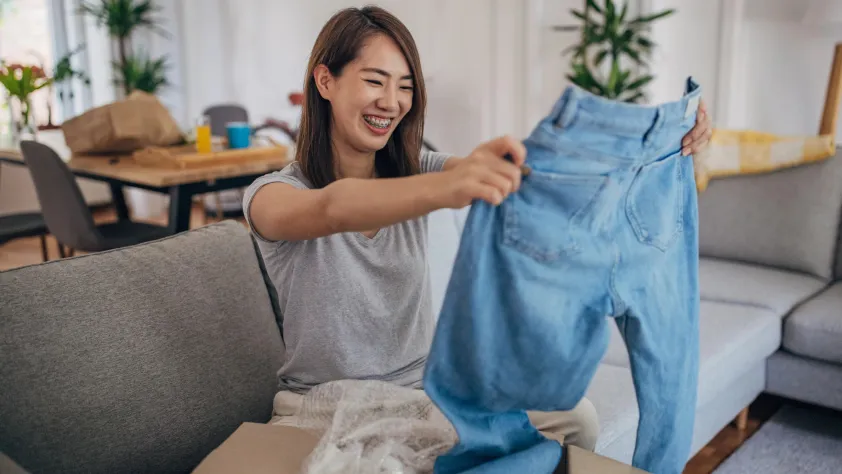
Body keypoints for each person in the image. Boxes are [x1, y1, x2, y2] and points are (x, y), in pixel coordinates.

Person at [243, 6, 712, 452]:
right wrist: (447, 188)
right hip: (322, 406)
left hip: (425, 397)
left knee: (576, 417)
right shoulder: (271, 195)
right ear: (325, 80)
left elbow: (527, 179)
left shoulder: (418, 167)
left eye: (405, 86)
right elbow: (333, 208)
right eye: (374, 81)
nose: (391, 101)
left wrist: (670, 148)